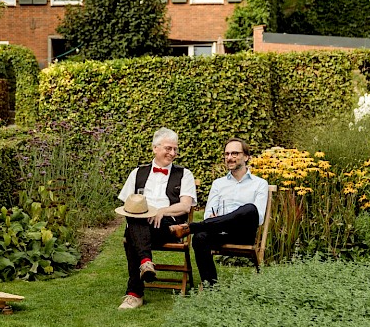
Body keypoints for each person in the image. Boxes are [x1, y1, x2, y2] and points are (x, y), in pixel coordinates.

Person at [115, 127, 196, 310]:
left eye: (175, 149)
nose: (173, 153)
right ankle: (146, 263)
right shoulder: (138, 173)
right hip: (142, 223)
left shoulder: (185, 174)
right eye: (168, 148)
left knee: (132, 234)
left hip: (169, 226)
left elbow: (185, 205)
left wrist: (162, 211)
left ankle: (135, 293)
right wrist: (146, 213)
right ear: (155, 148)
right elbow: (128, 204)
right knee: (135, 218)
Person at [170, 138, 268, 286]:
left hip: (243, 234)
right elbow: (208, 213)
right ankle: (211, 287)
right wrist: (214, 219)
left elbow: (258, 217)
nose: (229, 157)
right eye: (227, 154)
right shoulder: (218, 184)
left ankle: (192, 227)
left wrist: (222, 220)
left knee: (249, 209)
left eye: (235, 153)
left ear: (247, 157)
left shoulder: (260, 184)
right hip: (219, 232)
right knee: (199, 237)